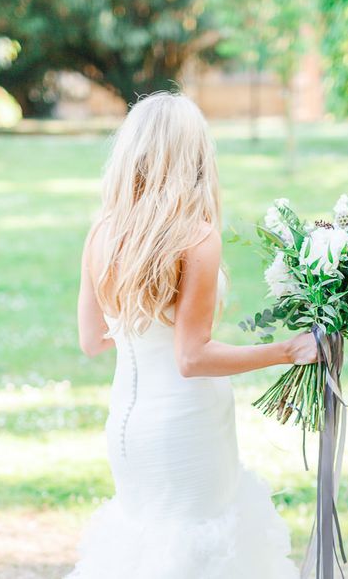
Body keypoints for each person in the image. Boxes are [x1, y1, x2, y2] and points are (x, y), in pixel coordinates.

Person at [67, 92, 317, 578]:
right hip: (186, 427)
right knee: (197, 553)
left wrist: (148, 330)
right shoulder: (196, 236)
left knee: (147, 551)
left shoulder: (103, 232)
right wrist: (286, 349)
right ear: (193, 155)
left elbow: (92, 339)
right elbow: (192, 357)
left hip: (128, 427)